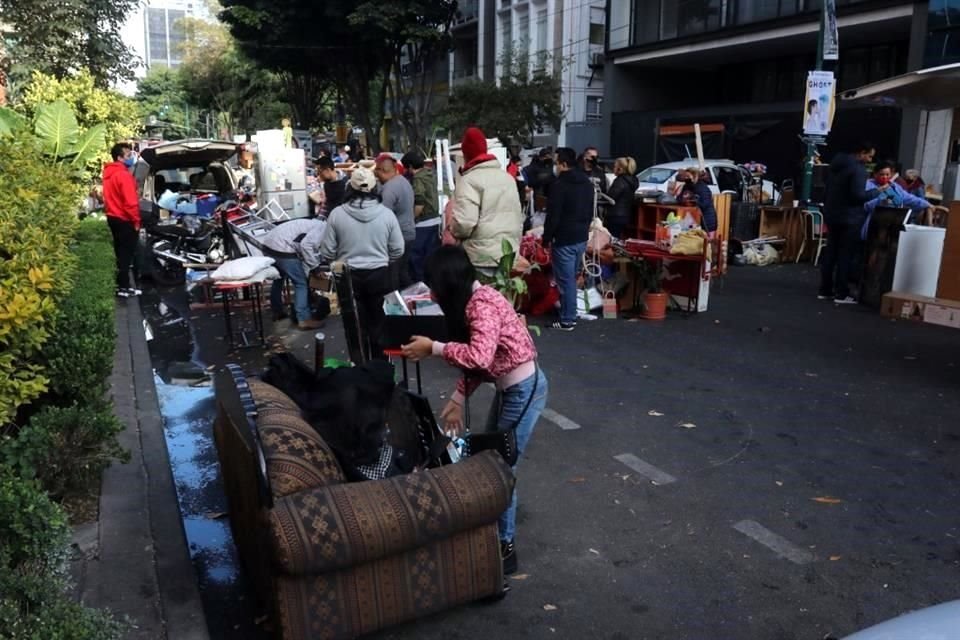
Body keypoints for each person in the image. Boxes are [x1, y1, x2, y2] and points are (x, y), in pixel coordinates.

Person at [401, 245, 548, 576]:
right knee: (491, 460)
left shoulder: (481, 306)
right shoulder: (475, 300)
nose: (433, 296)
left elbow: (479, 358)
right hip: (511, 387)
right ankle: (495, 535)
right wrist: (456, 398)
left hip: (524, 389)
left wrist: (434, 348)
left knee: (500, 467)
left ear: (450, 285)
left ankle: (504, 546)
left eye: (435, 289)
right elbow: (485, 363)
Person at [320, 166, 404, 360]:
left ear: (350, 188)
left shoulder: (337, 214)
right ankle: (380, 367)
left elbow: (327, 251)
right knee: (380, 324)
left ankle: (359, 367)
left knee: (355, 327)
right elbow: (398, 249)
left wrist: (338, 260)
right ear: (375, 188)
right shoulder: (386, 214)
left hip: (348, 278)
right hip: (380, 275)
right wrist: (384, 259)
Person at [445, 127, 524, 273]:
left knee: (481, 295)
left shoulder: (469, 180)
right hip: (508, 253)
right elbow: (518, 216)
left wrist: (451, 228)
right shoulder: (507, 178)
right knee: (500, 295)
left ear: (466, 154)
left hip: (480, 256)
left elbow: (465, 222)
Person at [818, 141, 878, 304]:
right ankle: (841, 292)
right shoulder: (858, 170)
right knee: (846, 255)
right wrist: (876, 192)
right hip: (850, 217)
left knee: (831, 252)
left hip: (832, 214)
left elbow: (827, 190)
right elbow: (858, 196)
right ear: (862, 152)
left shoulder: (834, 166)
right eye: (869, 156)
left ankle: (825, 289)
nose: (870, 160)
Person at [543, 147, 594, 331]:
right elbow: (589, 211)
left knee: (566, 282)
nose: (554, 166)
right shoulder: (587, 183)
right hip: (581, 237)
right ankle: (569, 314)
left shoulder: (559, 186)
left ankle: (567, 319)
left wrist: (546, 238)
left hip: (564, 237)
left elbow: (553, 216)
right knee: (571, 277)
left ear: (563, 164)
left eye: (556, 163)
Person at [261, 218, 328, 329]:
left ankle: (277, 312)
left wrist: (313, 267)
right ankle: (304, 319)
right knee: (301, 283)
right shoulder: (323, 229)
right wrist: (316, 268)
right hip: (282, 247)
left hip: (269, 245)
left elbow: (305, 252)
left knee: (279, 277)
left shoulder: (316, 224)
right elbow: (306, 246)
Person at [102, 142, 142, 298]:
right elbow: (130, 202)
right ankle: (123, 287)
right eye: (128, 155)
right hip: (125, 218)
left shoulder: (108, 174)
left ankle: (122, 285)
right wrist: (136, 220)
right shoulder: (123, 175)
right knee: (127, 254)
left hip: (113, 217)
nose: (131, 157)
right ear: (119, 157)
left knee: (120, 252)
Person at [864, 161, 947, 229]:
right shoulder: (868, 185)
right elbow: (865, 205)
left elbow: (908, 198)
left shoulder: (894, 186)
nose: (885, 177)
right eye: (882, 174)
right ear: (875, 174)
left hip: (894, 223)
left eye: (887, 174)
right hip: (874, 224)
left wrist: (927, 204)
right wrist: (881, 201)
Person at [375, 154, 416, 286]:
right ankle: (412, 298)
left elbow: (382, 217)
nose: (376, 177)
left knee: (393, 277)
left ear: (383, 170)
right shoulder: (404, 181)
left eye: (377, 172)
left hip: (398, 237)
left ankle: (397, 303)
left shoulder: (389, 189)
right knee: (402, 273)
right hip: (409, 233)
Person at [402, 151, 441, 282]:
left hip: (423, 223)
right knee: (431, 258)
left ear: (410, 166)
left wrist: (411, 219)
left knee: (417, 260)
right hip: (435, 220)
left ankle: (420, 289)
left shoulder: (417, 179)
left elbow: (419, 203)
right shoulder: (430, 174)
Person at [605, 157, 639, 238]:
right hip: (625, 214)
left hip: (615, 215)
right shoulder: (633, 180)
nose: (613, 168)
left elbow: (611, 197)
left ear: (620, 169)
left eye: (614, 166)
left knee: (611, 239)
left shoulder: (619, 181)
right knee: (617, 237)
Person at [680, 168, 718, 235]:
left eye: (688, 176)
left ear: (694, 176)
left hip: (707, 221)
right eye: (685, 176)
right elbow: (679, 198)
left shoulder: (703, 188)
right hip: (693, 221)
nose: (686, 178)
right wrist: (683, 198)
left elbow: (704, 204)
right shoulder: (686, 186)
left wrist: (692, 198)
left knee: (706, 243)